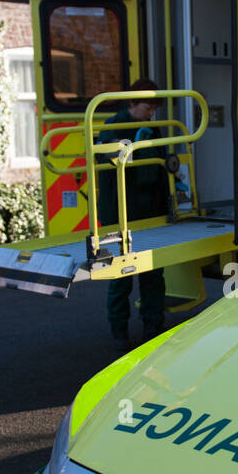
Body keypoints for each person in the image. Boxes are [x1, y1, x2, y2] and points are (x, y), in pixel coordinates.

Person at [96, 78, 168, 347]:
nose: (151, 112)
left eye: (153, 108)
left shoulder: (153, 128)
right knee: (121, 275)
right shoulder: (112, 127)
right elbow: (106, 157)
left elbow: (161, 166)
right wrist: (129, 145)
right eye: (147, 107)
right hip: (120, 213)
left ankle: (153, 326)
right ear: (131, 103)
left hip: (150, 211)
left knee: (152, 273)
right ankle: (119, 332)